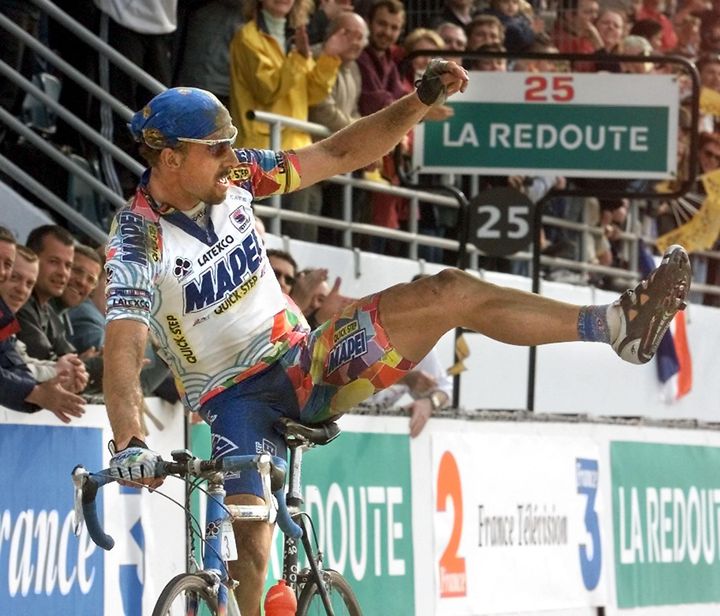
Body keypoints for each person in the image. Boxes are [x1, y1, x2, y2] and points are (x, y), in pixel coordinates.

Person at [103, 72, 690, 616]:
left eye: (232, 145)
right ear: (172, 158)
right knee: (250, 563)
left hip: (308, 365)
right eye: (217, 149)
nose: (232, 159)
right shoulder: (136, 242)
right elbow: (124, 347)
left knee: (446, 290)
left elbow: (336, 152)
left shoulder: (234, 178)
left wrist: (417, 102)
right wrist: (129, 438)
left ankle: (614, 325)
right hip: (234, 401)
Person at [0, 229, 85, 421]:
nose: (22, 290)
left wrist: (56, 384)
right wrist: (39, 390)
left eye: (7, 265)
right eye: (15, 277)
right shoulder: (19, 313)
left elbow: (15, 367)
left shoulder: (6, 316)